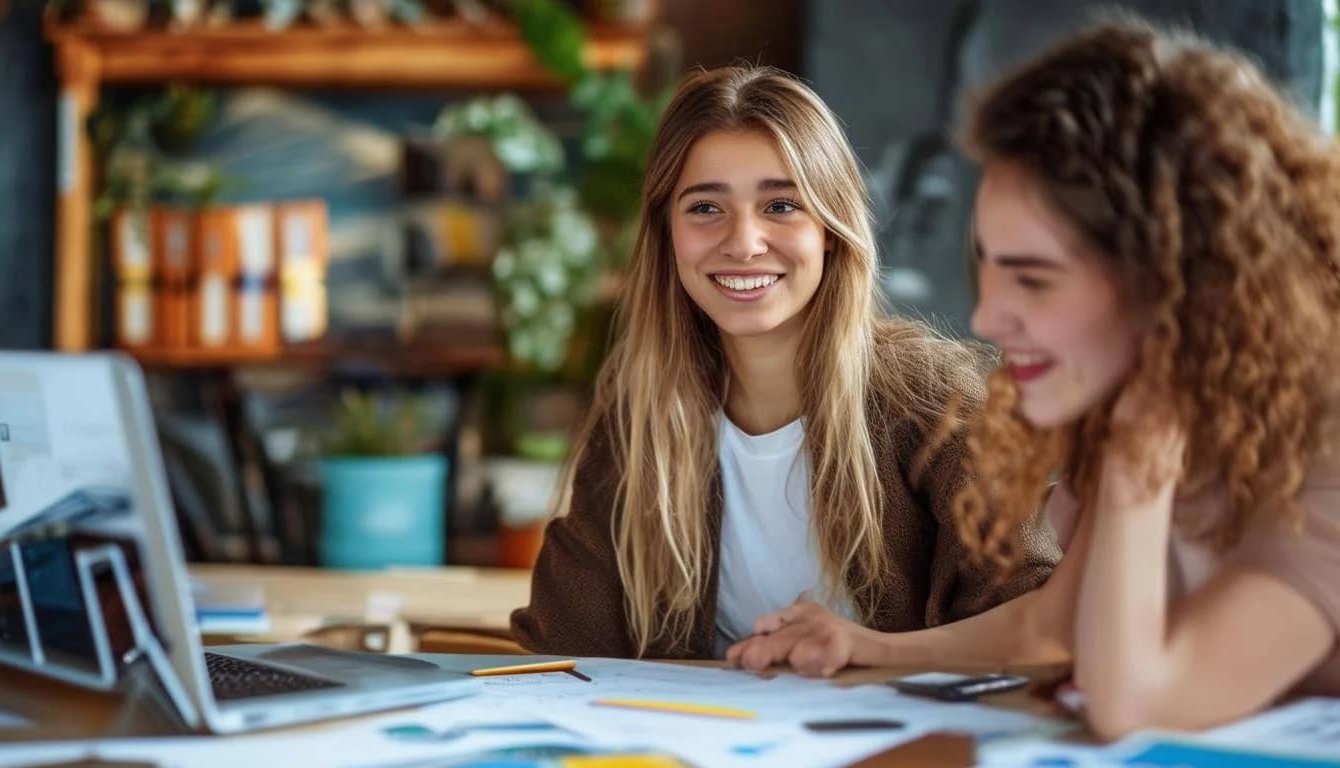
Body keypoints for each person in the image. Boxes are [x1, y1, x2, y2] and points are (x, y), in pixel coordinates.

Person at [727, 21, 1340, 737]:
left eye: (1035, 280)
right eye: (987, 266)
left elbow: (1139, 709)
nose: (988, 316)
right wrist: (874, 649)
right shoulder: (1153, 394)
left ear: (1171, 280)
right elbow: (1056, 626)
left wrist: (1138, 446)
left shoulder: (1312, 432)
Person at [509, 65, 1059, 661]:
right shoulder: (641, 412)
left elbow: (1047, 626)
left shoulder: (939, 402)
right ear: (666, 232)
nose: (743, 242)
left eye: (780, 205)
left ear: (830, 229)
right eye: (704, 208)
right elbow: (561, 648)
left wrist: (869, 649)